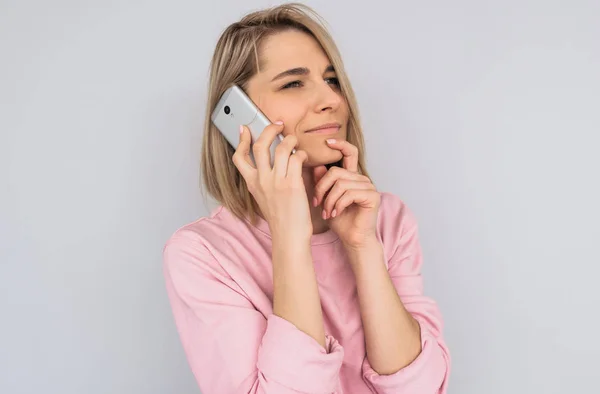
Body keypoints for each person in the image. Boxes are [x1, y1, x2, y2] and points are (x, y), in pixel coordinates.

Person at [163, 3, 450, 393]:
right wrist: (288, 234)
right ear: (241, 117)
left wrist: (363, 247)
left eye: (332, 80)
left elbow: (421, 388)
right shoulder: (201, 253)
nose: (330, 99)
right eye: (294, 83)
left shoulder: (387, 220)